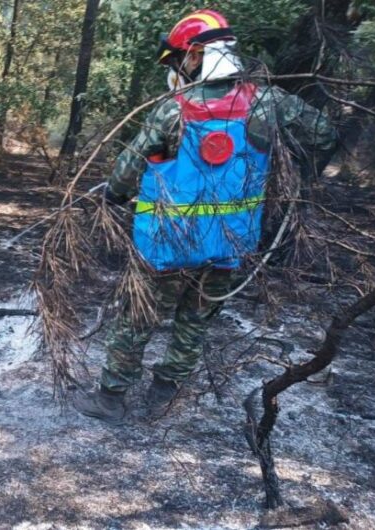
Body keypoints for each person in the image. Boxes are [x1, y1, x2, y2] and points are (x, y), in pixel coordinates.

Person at [75, 9, 337, 424]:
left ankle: (111, 399)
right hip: (228, 244)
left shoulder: (172, 110)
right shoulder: (267, 102)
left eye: (180, 59)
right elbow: (324, 133)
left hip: (167, 244)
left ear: (197, 54)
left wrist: (113, 196)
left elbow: (127, 168)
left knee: (138, 317)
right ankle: (163, 394)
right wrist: (288, 169)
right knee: (194, 321)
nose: (178, 69)